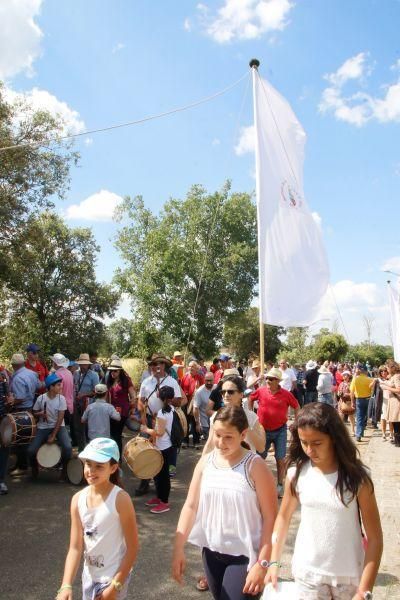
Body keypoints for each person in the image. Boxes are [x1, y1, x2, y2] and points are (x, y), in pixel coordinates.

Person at [265, 402, 383, 600]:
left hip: (349, 577)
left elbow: (375, 539)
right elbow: (283, 518)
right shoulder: (296, 475)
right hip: (307, 575)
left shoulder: (358, 479)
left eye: (317, 443)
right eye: (304, 442)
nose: (310, 449)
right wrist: (274, 563)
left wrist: (364, 591)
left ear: (334, 439)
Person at [172, 405, 278, 600]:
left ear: (243, 434)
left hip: (245, 558)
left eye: (228, 436)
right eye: (217, 435)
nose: (221, 442)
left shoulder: (255, 466)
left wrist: (263, 563)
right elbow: (190, 506)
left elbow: (270, 517)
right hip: (211, 554)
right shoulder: (205, 462)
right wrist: (178, 548)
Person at [56, 438, 138, 600]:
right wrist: (65, 585)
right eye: (88, 464)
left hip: (113, 577)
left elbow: (133, 547)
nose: (91, 471)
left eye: (99, 466)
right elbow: (75, 547)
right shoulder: (77, 500)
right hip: (89, 577)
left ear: (113, 468)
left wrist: (115, 585)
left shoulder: (121, 499)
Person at [136, 353, 182, 496]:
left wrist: (165, 397)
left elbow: (179, 402)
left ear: (165, 366)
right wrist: (144, 420)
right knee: (146, 453)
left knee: (162, 452)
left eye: (161, 364)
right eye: (155, 364)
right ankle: (144, 483)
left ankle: (160, 485)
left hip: (166, 420)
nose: (157, 366)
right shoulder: (146, 382)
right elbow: (140, 402)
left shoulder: (172, 382)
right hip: (149, 419)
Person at [250, 368, 300, 498]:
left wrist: (296, 422)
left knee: (280, 458)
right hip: (263, 430)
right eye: (267, 378)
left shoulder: (286, 394)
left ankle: (280, 485)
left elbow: (296, 406)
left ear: (278, 381)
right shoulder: (260, 391)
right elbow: (250, 398)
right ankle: (257, 484)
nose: (268, 380)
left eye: (271, 379)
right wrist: (251, 415)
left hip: (280, 430)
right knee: (259, 458)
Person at [139, 385, 177, 514]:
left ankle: (164, 502)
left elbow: (159, 433)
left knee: (163, 476)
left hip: (164, 448)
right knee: (158, 474)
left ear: (160, 397)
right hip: (167, 446)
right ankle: (159, 497)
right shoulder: (171, 409)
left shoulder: (163, 412)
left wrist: (146, 430)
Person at [28, 373, 72, 480]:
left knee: (68, 447)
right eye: (58, 385)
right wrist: (40, 414)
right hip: (43, 426)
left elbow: (60, 418)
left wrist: (53, 435)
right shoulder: (41, 398)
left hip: (58, 426)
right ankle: (34, 468)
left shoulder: (61, 399)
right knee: (31, 450)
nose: (61, 387)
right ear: (51, 387)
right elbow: (34, 412)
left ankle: (64, 469)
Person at [9, 352, 41, 475]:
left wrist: (10, 401)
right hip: (30, 408)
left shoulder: (17, 378)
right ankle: (27, 464)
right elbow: (39, 385)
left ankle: (22, 466)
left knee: (20, 440)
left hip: (21, 410)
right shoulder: (32, 373)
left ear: (13, 365)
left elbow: (20, 397)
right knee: (27, 438)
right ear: (23, 363)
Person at [106, 358, 136, 458]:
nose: (113, 373)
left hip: (122, 412)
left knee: (116, 435)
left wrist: (132, 408)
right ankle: (114, 457)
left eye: (115, 371)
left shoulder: (126, 380)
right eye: (111, 370)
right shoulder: (110, 380)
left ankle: (117, 459)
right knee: (112, 435)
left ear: (120, 371)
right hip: (111, 411)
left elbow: (133, 396)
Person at [74, 353, 100, 451]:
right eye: (81, 364)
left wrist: (83, 395)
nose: (83, 366)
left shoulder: (94, 375)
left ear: (88, 364)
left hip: (89, 405)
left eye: (85, 364)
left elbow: (96, 391)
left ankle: (91, 450)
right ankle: (81, 450)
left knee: (90, 429)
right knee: (79, 429)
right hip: (78, 405)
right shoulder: (76, 373)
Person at [52, 353, 75, 442]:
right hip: (69, 404)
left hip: (61, 405)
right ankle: (67, 448)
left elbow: (59, 391)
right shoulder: (69, 372)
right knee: (67, 428)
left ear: (56, 363)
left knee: (61, 429)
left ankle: (63, 450)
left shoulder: (57, 374)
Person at [181, 361, 205, 449]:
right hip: (186, 402)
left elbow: (203, 389)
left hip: (196, 402)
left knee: (195, 421)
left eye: (193, 367)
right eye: (189, 366)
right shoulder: (185, 377)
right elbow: (181, 389)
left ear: (196, 368)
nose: (191, 368)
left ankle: (196, 441)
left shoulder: (200, 377)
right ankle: (185, 441)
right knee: (185, 422)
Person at [350, 365, 374, 442]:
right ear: (366, 371)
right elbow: (372, 390)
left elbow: (352, 392)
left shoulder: (355, 379)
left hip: (359, 399)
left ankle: (359, 434)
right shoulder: (369, 379)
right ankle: (361, 431)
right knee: (365, 416)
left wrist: (352, 402)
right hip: (368, 399)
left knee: (359, 416)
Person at [380, 359, 400, 447]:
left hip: (396, 403)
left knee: (397, 422)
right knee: (394, 422)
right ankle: (397, 440)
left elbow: (399, 390)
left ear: (392, 367)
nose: (386, 369)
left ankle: (398, 441)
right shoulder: (394, 376)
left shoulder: (396, 376)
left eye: (387, 367)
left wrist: (387, 388)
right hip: (393, 402)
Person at [193, 372, 215, 441]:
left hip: (217, 422)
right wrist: (197, 424)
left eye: (210, 380)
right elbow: (195, 408)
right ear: (204, 380)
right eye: (207, 380)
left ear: (214, 380)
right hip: (206, 424)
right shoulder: (199, 392)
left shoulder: (217, 388)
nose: (208, 382)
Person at [376, 365, 392, 441]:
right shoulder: (378, 380)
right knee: (383, 418)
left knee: (391, 418)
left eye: (385, 371)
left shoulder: (391, 379)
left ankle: (392, 433)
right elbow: (371, 388)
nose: (383, 373)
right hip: (382, 401)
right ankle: (383, 433)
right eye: (381, 371)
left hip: (391, 400)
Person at [337, 370, 355, 436]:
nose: (344, 376)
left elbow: (353, 393)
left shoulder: (351, 383)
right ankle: (340, 431)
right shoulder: (341, 383)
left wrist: (346, 394)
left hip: (349, 401)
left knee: (351, 417)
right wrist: (339, 394)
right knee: (340, 416)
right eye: (344, 375)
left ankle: (353, 430)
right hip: (342, 402)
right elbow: (338, 392)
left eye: (346, 375)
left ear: (349, 376)